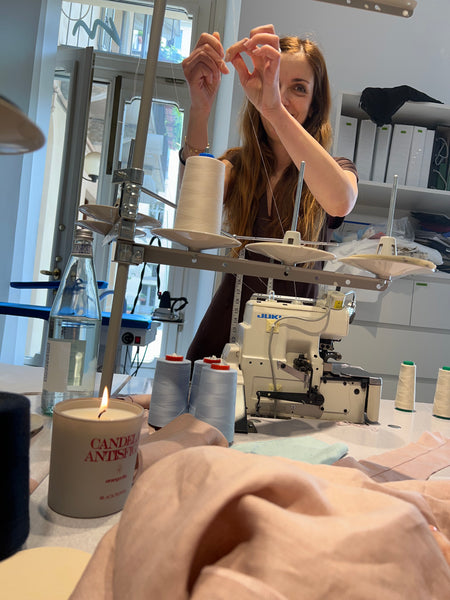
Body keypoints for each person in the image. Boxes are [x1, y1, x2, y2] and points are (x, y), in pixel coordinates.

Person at [180, 25, 358, 363]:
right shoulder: (237, 163)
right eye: (274, 84)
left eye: (298, 88)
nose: (283, 98)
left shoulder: (335, 169)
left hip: (291, 350)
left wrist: (273, 108)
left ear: (315, 105)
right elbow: (192, 211)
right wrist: (200, 109)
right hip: (221, 339)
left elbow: (340, 200)